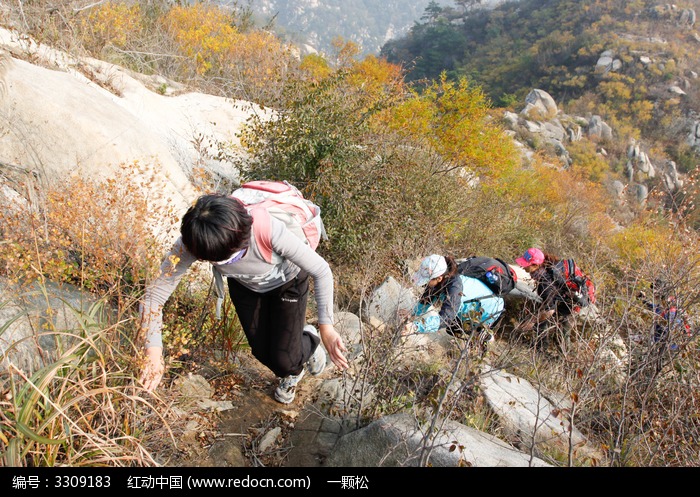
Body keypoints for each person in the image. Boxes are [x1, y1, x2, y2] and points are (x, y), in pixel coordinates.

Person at [138, 193, 349, 404]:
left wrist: (326, 328)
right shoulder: (195, 240)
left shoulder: (265, 229)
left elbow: (321, 270)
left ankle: (308, 342)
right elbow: (153, 298)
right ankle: (295, 354)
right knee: (260, 351)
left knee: (285, 360)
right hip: (245, 285)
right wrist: (153, 354)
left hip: (288, 283)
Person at [402, 254, 505, 341]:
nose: (426, 283)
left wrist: (415, 327)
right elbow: (427, 297)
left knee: (454, 329)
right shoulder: (442, 278)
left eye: (427, 280)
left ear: (439, 278)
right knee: (454, 326)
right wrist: (413, 313)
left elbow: (446, 318)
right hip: (477, 301)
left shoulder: (455, 288)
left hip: (491, 309)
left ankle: (484, 335)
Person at [514, 247, 581, 354]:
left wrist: (531, 321)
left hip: (571, 304)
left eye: (526, 264)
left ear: (535, 265)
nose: (522, 266)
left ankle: (565, 360)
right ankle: (541, 347)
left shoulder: (546, 281)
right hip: (563, 299)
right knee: (542, 318)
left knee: (561, 333)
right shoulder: (547, 269)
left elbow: (549, 310)